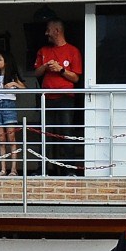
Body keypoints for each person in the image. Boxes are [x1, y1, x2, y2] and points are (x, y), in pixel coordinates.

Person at [32, 16, 84, 175]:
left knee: (67, 135)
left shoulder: (73, 50)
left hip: (65, 98)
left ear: (57, 30)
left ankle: (70, 171)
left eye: (48, 30)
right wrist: (46, 66)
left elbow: (76, 78)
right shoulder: (43, 50)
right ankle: (42, 171)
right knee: (44, 135)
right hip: (46, 98)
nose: (46, 33)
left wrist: (60, 69)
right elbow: (36, 72)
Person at [0, 50, 26, 176]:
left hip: (9, 106)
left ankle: (13, 169)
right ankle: (3, 169)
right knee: (1, 139)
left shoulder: (13, 76)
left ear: (6, 62)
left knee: (11, 138)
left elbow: (24, 88)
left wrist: (14, 83)